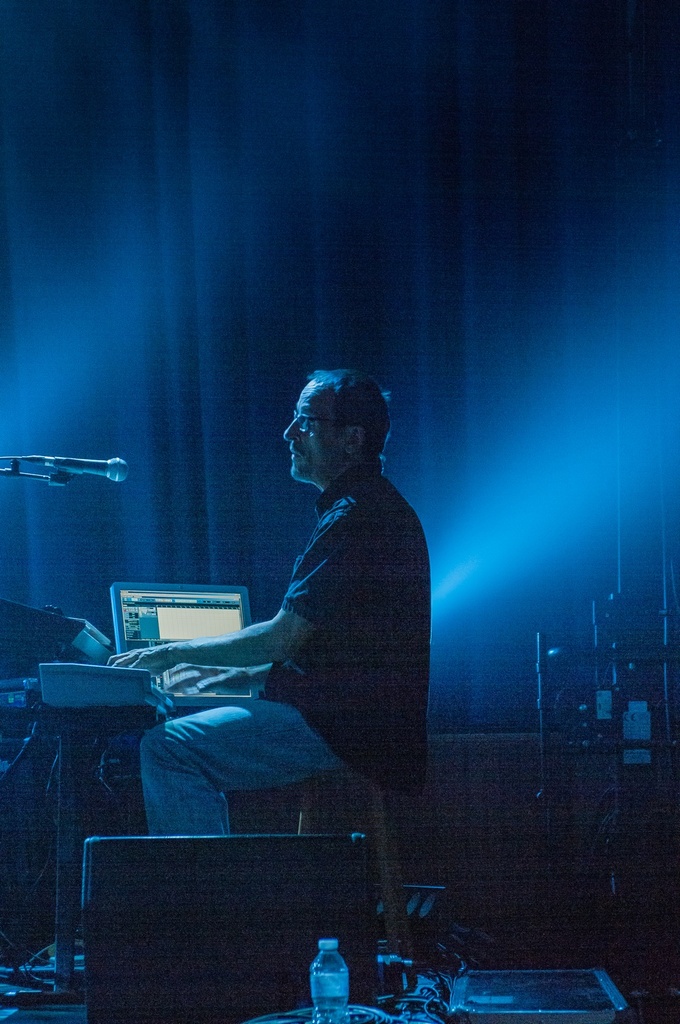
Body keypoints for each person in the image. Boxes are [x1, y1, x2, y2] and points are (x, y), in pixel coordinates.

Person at [108, 369, 430, 835]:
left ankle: (206, 885)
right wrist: (234, 676)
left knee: (168, 748)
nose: (289, 432)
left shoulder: (357, 516)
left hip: (347, 732)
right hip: (354, 724)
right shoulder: (370, 507)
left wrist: (171, 653)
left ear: (352, 439)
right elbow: (335, 651)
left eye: (307, 421)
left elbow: (283, 638)